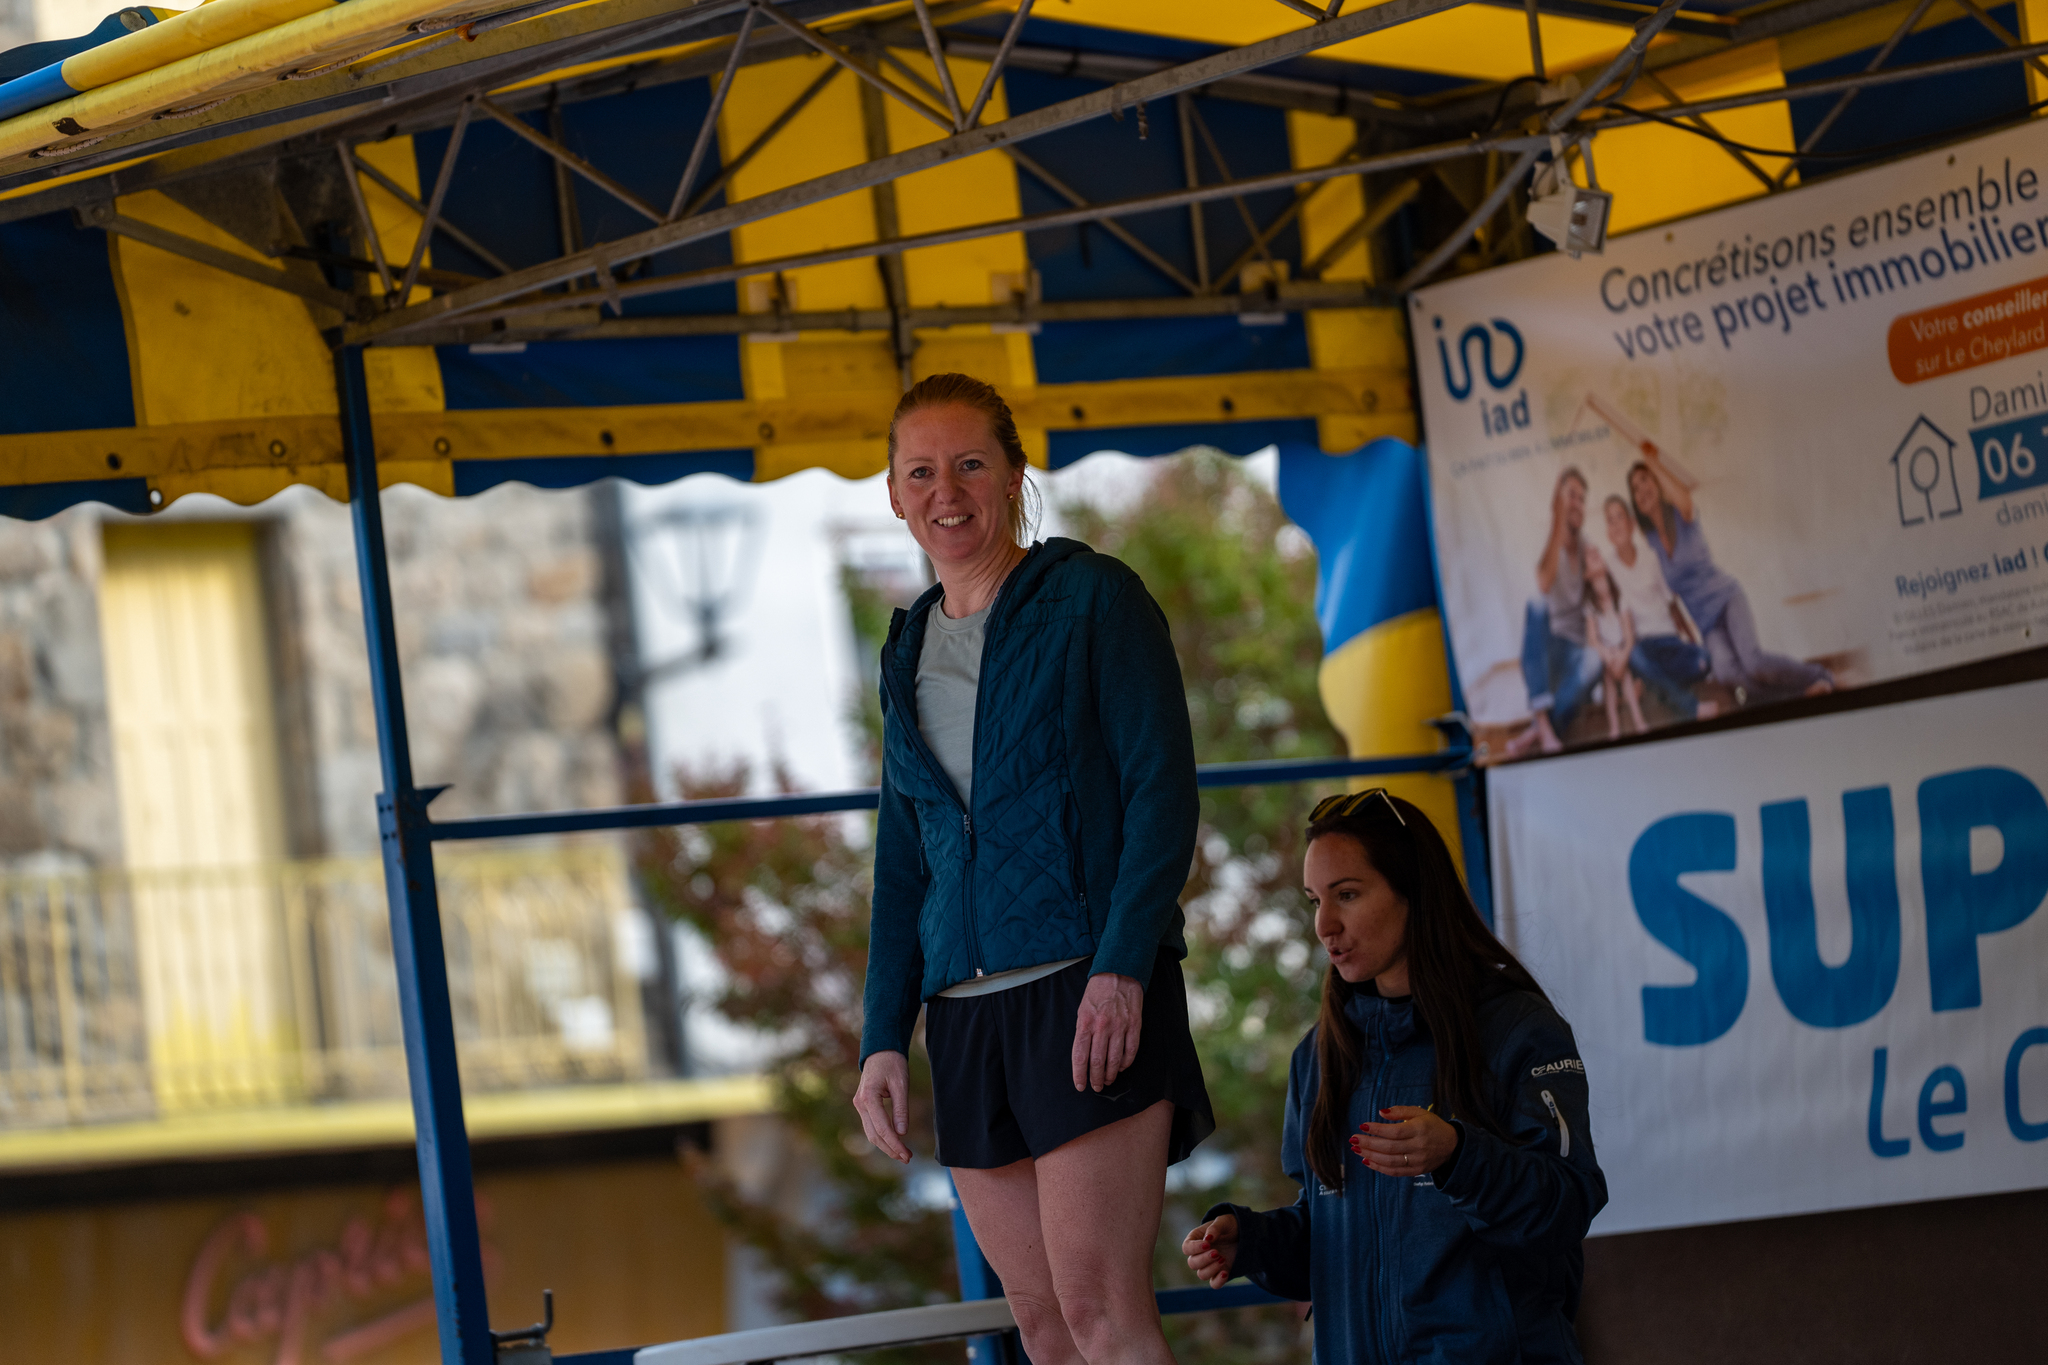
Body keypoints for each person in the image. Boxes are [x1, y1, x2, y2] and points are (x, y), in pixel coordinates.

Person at [853, 373, 1213, 1365]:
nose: (946, 491)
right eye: (920, 472)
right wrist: (883, 1038)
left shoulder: (1094, 599)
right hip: (963, 1016)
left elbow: (1161, 795)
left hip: (1085, 990)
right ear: (893, 493)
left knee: (1102, 1313)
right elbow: (903, 861)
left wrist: (1122, 966)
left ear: (1013, 474)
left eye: (970, 463)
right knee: (1044, 1330)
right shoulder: (904, 650)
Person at [1181, 790, 1607, 1365]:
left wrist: (1458, 1156)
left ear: (1414, 892)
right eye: (1315, 901)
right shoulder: (1319, 1055)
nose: (1325, 925)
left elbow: (1568, 1205)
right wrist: (1253, 1244)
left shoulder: (1517, 1028)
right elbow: (1336, 1234)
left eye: (1347, 895)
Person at [1628, 454, 1832, 705]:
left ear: (1658, 483)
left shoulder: (1683, 515)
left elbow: (1683, 495)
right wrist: (1685, 635)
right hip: (1707, 625)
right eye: (1635, 488)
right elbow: (1668, 596)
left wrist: (1653, 461)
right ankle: (1799, 697)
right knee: (1727, 675)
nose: (1641, 490)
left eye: (1645, 480)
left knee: (1754, 663)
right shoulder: (1650, 542)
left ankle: (1823, 677)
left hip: (1727, 599)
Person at [1503, 468, 1603, 756]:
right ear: (1558, 501)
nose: (1577, 504)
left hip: (1574, 652)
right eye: (1571, 496)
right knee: (1536, 604)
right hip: (1547, 650)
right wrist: (1557, 519)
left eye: (1582, 499)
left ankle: (1540, 727)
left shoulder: (1586, 546)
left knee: (1594, 660)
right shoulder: (1548, 542)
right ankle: (1544, 724)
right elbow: (1544, 583)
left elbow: (1602, 597)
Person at [1600, 494, 1717, 724]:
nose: (1615, 525)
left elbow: (1671, 603)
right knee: (1636, 657)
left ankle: (1652, 684)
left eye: (1619, 517)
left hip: (1668, 642)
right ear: (1608, 532)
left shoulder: (1651, 557)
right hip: (1640, 647)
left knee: (1704, 661)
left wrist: (1691, 640)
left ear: (1631, 523)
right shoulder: (1607, 568)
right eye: (1609, 521)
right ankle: (1691, 707)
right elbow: (1607, 617)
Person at [1581, 543, 1645, 739]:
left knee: (1625, 677)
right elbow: (1593, 639)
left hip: (1622, 649)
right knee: (1608, 680)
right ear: (1588, 580)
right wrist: (1607, 655)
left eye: (1603, 579)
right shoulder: (1591, 606)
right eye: (1595, 581)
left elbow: (1629, 636)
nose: (1600, 584)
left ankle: (1638, 720)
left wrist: (1622, 655)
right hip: (1606, 651)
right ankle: (1614, 727)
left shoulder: (1620, 599)